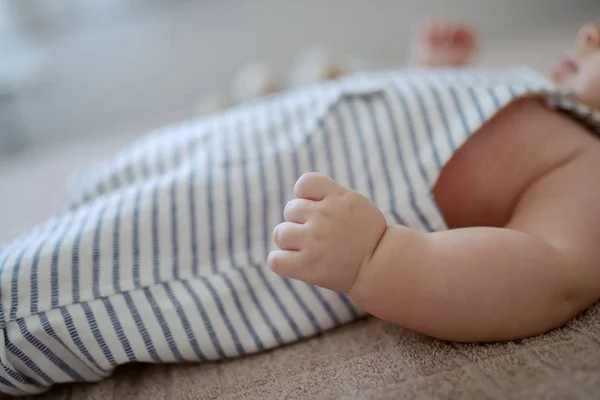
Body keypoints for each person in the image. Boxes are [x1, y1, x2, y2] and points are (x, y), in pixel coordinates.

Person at [0, 20, 599, 396]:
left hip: (251, 221)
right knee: (84, 219)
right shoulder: (550, 103)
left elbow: (543, 276)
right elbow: (447, 148)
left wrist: (378, 258)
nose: (590, 34)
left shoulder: (587, 164)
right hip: (238, 144)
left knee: (62, 287)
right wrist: (433, 79)